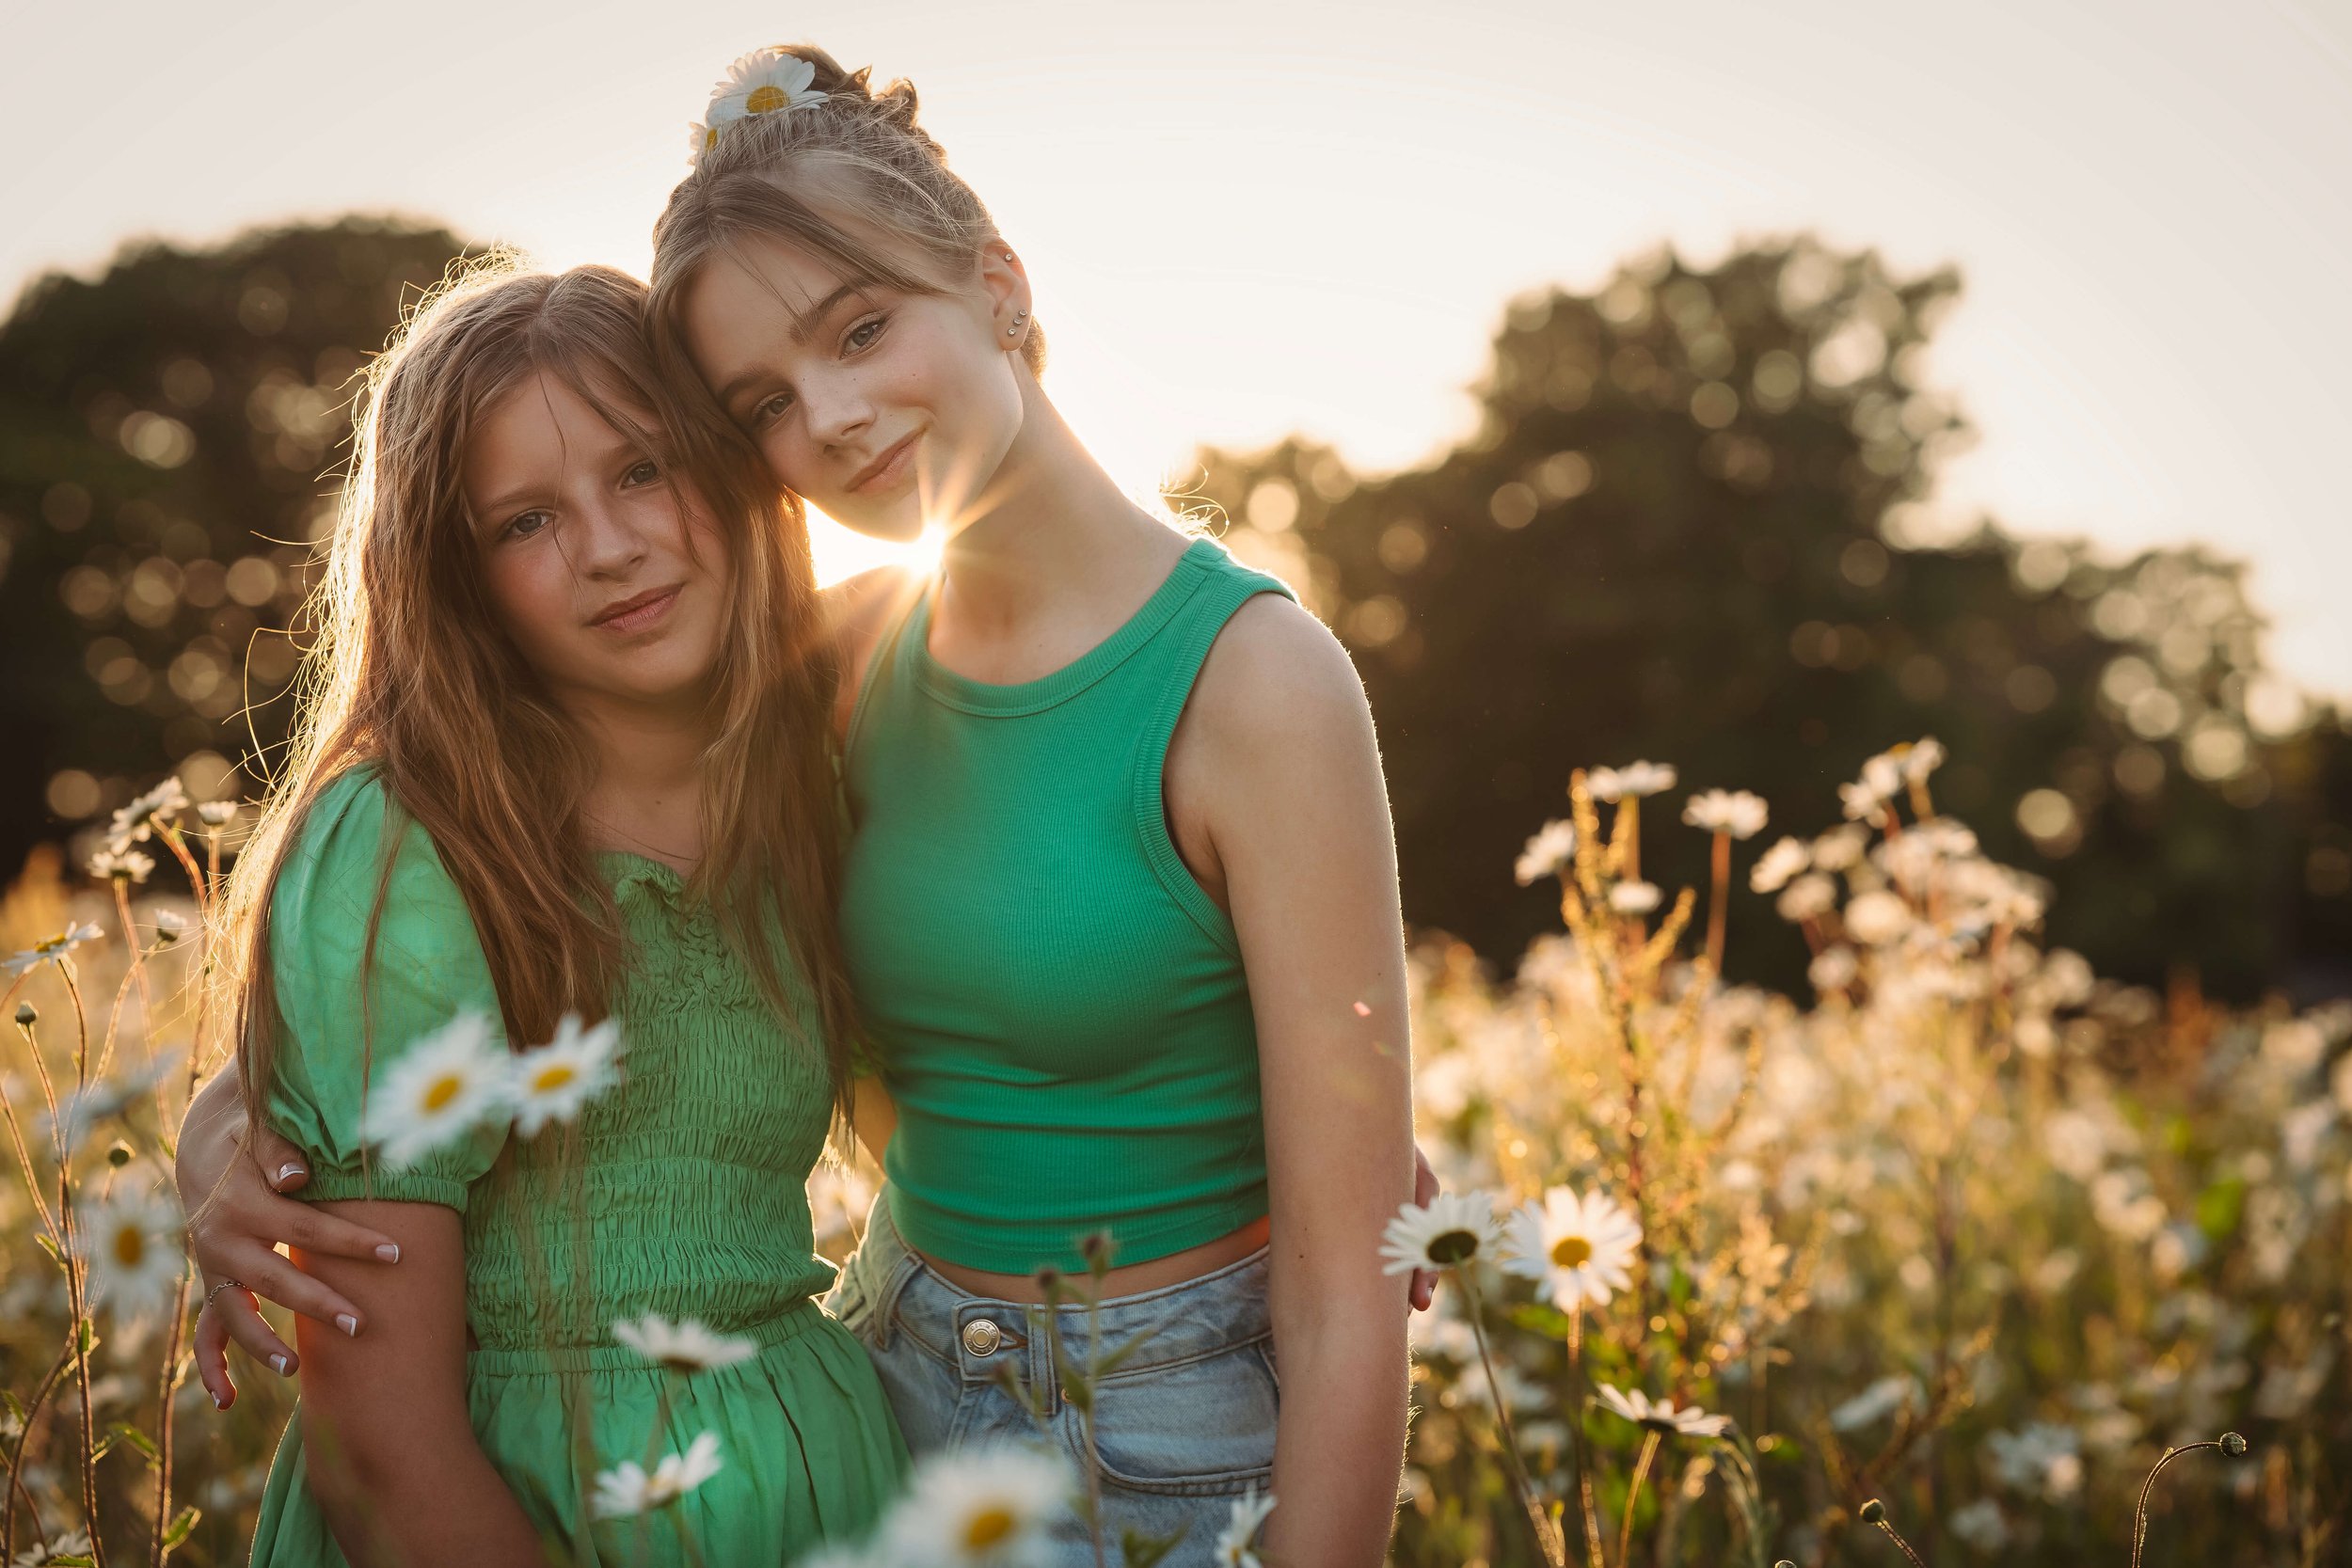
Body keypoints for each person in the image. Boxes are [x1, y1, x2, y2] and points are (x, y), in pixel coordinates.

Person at [183, 43, 1430, 1567]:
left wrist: (1340, 1148)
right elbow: (474, 937)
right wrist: (228, 1128)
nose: (832, 418)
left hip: (1155, 1432)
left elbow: (1347, 1274)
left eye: (863, 329)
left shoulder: (1256, 682)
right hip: (889, 1397)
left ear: (1002, 285)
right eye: (765, 401)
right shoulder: (829, 677)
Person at [182, 261, 905, 1565]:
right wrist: (227, 1118)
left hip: (820, 1495)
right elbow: (382, 1455)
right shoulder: (410, 841)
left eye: (641, 470)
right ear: (453, 576)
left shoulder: (828, 763)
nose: (609, 547)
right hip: (508, 1512)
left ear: (736, 472)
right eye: (524, 522)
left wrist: (1313, 1120)